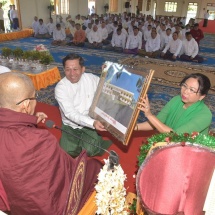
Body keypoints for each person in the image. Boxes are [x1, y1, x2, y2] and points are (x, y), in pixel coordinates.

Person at [0, 72, 102, 214]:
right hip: (45, 208)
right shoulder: (38, 140)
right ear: (26, 104)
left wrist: (28, 120)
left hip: (13, 203)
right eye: (35, 97)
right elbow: (67, 174)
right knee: (96, 167)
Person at [55, 54, 112, 157]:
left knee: (91, 150)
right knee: (67, 153)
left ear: (83, 69)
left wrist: (107, 75)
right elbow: (70, 113)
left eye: (75, 69)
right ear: (64, 70)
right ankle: (67, 139)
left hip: (89, 125)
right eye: (68, 70)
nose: (72, 74)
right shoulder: (61, 88)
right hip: (70, 125)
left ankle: (92, 140)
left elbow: (107, 90)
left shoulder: (92, 79)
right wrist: (93, 123)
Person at [136, 73, 212, 135]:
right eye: (184, 86)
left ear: (201, 97)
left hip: (189, 149)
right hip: (168, 141)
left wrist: (149, 115)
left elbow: (175, 136)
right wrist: (134, 127)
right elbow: (157, 122)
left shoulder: (205, 115)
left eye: (192, 90)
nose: (185, 91)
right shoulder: (176, 99)